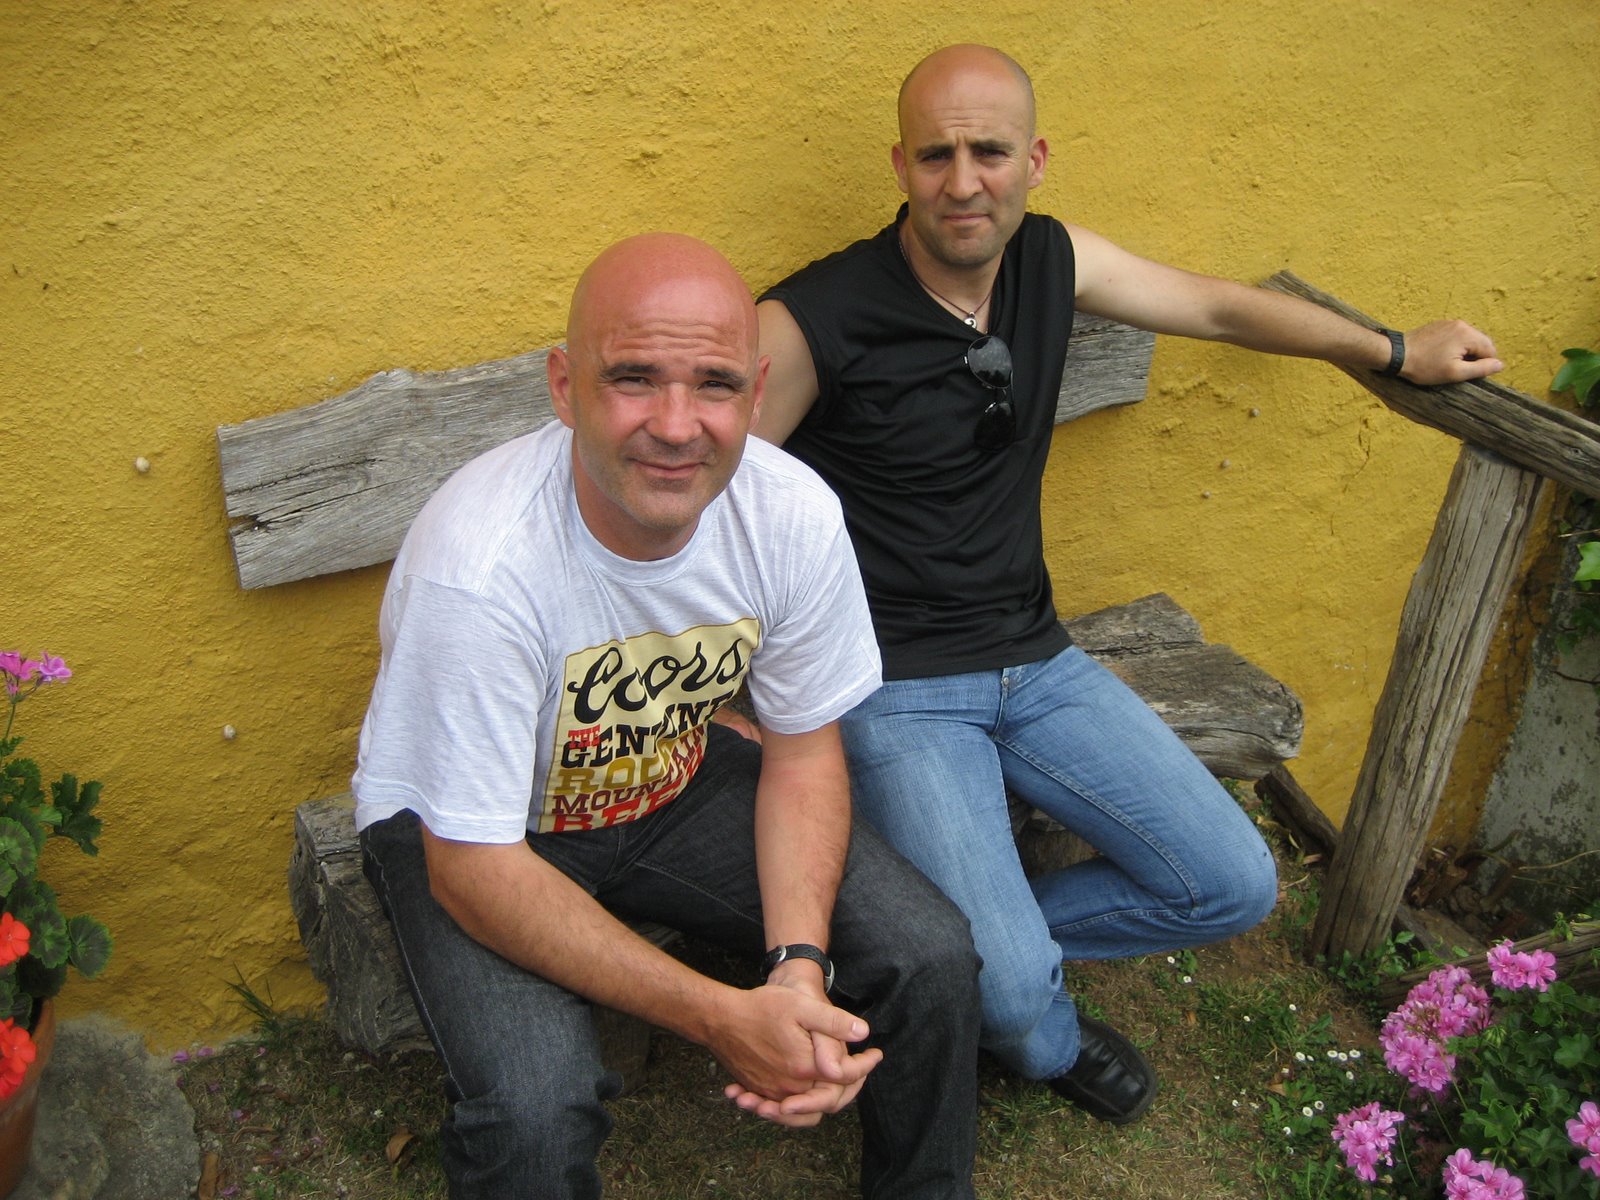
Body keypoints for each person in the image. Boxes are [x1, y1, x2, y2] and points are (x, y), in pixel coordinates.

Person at [753, 44, 1504, 1127]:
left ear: (1034, 161)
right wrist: (739, 693)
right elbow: (709, 503)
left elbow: (1218, 310)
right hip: (897, 687)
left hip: (1040, 662)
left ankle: (975, 955)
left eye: (989, 152)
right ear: (900, 165)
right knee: (1017, 999)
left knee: (1233, 884)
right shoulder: (817, 315)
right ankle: (1029, 1016)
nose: (963, 182)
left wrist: (1389, 349)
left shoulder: (1050, 260)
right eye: (935, 155)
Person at [352, 232, 982, 1199]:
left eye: (715, 384)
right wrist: (722, 1017)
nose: (677, 426)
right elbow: (470, 869)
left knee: (929, 956)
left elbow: (804, 756)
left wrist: (797, 970)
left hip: (669, 778)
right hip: (475, 826)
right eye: (634, 379)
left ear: (756, 393)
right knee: (535, 1108)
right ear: (565, 387)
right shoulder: (479, 568)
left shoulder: (790, 515)